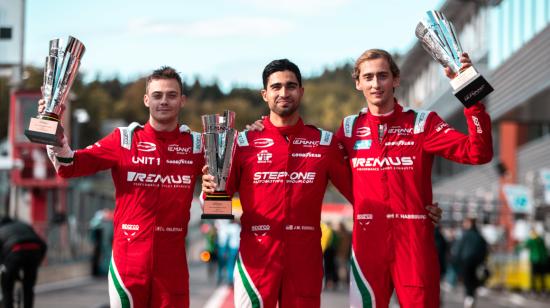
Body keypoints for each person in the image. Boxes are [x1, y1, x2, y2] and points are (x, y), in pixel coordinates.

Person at [202, 59, 442, 307]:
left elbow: (362, 190)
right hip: (258, 258)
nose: (284, 93)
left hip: (305, 260)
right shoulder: (243, 143)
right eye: (276, 87)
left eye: (291, 86)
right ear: (265, 94)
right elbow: (215, 207)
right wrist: (210, 190)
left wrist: (416, 209)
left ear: (301, 91)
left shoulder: (325, 143)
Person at [335, 49, 493, 307]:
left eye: (383, 76)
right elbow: (319, 165)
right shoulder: (349, 128)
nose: (376, 84)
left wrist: (470, 92)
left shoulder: (422, 123)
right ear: (358, 82)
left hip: (414, 244)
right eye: (369, 77)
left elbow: (479, 153)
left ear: (396, 80)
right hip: (367, 244)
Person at [43, 67, 204, 308]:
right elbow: (70, 166)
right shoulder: (124, 139)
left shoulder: (197, 144)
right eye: (157, 95)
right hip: (128, 261)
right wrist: (56, 140)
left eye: (171, 95)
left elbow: (228, 180)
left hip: (173, 265)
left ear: (182, 101)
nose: (164, 101)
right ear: (146, 99)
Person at [0, 216, 47, 308]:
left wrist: (4, 266)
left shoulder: (1, 230)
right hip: (35, 251)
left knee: (7, 286)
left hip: (15, 252)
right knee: (29, 287)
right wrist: (38, 262)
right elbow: (43, 245)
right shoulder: (24, 226)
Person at [453, 217, 488, 308]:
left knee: (467, 281)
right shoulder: (479, 236)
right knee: (473, 281)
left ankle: (468, 298)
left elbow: (458, 249)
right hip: (477, 262)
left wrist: (456, 262)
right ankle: (471, 297)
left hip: (465, 261)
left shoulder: (465, 235)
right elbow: (484, 249)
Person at [521, 228, 549, 295]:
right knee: (542, 276)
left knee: (534, 276)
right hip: (542, 260)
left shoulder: (531, 240)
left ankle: (534, 290)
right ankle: (543, 290)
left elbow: (523, 247)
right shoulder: (541, 239)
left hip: (535, 260)